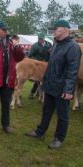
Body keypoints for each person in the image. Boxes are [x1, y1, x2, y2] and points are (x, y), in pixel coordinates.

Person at [25, 19, 82, 149]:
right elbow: (51, 65)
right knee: (46, 111)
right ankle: (40, 132)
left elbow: (73, 70)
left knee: (62, 115)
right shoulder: (56, 45)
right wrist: (44, 80)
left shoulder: (73, 47)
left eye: (56, 29)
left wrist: (68, 90)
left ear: (65, 30)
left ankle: (59, 138)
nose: (53, 31)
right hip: (50, 85)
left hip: (62, 88)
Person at [28, 32, 52, 99]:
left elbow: (51, 54)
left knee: (45, 80)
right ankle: (32, 93)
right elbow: (30, 55)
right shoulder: (34, 45)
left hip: (46, 65)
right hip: (38, 65)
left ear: (44, 38)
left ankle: (41, 94)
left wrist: (50, 53)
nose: (41, 40)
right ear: (38, 38)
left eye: (42, 38)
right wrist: (37, 61)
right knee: (37, 80)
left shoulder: (49, 44)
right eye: (39, 38)